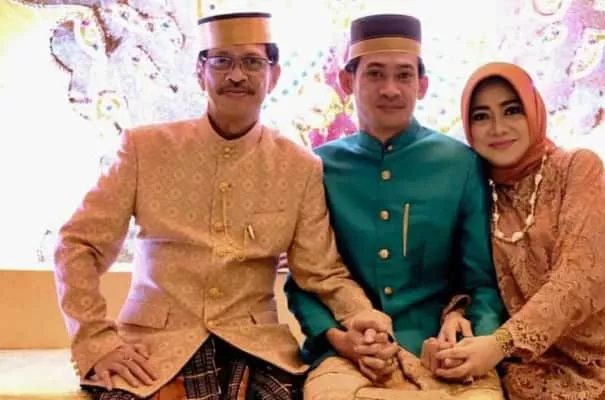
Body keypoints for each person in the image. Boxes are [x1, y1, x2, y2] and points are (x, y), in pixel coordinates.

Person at [54, 11, 390, 400]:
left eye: (252, 62)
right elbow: (77, 245)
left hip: (256, 349)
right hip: (155, 349)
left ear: (274, 75)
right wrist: (97, 342)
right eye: (222, 61)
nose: (236, 75)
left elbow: (322, 272)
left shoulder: (298, 167)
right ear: (200, 73)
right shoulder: (145, 149)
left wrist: (362, 317)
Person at [436, 61, 605, 399]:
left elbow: (584, 275)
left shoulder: (578, 168)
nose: (498, 127)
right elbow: (475, 276)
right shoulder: (478, 192)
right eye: (481, 116)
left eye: (512, 110)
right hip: (532, 368)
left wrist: (501, 343)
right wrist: (457, 313)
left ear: (533, 111)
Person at [284, 14, 507, 400]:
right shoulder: (317, 167)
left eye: (404, 75)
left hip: (441, 350)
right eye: (375, 74)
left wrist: (474, 339)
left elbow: (483, 282)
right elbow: (304, 279)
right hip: (347, 357)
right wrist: (339, 339)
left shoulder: (460, 164)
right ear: (347, 82)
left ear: (422, 85)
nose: (390, 89)